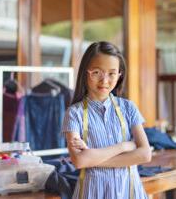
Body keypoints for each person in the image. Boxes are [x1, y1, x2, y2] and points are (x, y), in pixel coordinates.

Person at [63, 41, 152, 199]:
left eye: (112, 73)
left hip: (129, 192)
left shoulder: (129, 108)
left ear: (119, 75)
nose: (105, 80)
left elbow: (145, 155)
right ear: (85, 72)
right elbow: (79, 161)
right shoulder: (74, 113)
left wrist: (92, 157)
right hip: (93, 193)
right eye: (97, 72)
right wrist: (125, 146)